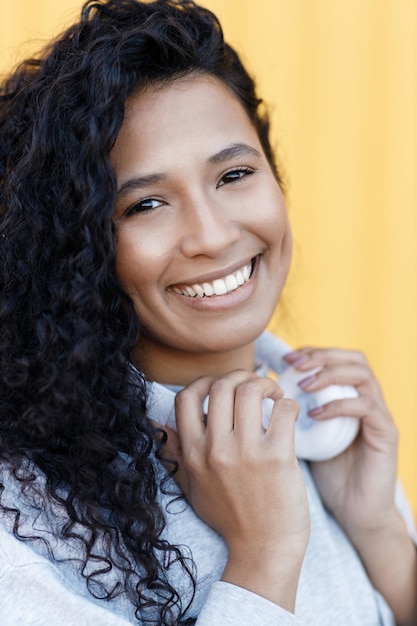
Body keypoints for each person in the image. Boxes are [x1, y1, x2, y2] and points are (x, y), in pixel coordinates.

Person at [0, 0, 416, 624]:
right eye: (145, 205)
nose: (214, 236)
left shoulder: (312, 426)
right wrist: (262, 556)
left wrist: (378, 528)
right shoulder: (27, 524)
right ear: (74, 246)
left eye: (235, 175)